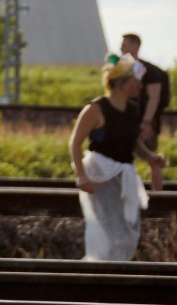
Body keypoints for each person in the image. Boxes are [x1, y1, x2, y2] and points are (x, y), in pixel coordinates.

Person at [70, 54, 165, 261]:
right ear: (122, 83)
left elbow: (134, 142)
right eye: (135, 81)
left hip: (123, 173)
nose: (139, 86)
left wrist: (151, 157)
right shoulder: (96, 109)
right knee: (113, 234)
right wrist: (82, 175)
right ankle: (105, 276)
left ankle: (111, 275)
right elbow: (75, 142)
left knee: (128, 234)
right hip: (100, 174)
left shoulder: (132, 110)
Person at [120, 33, 171, 191]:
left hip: (144, 121)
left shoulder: (150, 71)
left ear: (135, 46)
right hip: (127, 120)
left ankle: (158, 198)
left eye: (125, 44)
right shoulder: (123, 68)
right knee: (123, 157)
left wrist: (147, 122)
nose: (121, 48)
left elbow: (153, 98)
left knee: (152, 158)